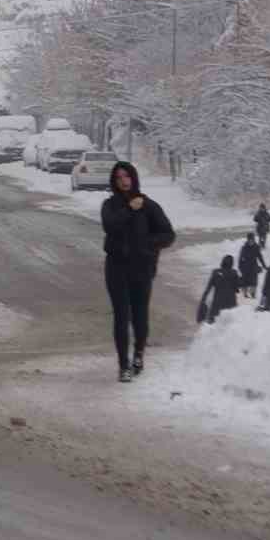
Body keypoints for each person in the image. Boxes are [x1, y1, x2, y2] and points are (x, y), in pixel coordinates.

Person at [102, 162, 176, 383]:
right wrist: (129, 209)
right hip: (116, 267)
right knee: (121, 315)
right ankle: (123, 365)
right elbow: (110, 226)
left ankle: (139, 355)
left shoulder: (149, 206)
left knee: (139, 314)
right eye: (118, 178)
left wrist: (147, 245)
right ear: (114, 181)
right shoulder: (110, 205)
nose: (123, 181)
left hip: (142, 267)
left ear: (134, 178)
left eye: (127, 176)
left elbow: (168, 234)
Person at [199, 255, 239, 324]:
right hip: (231, 303)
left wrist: (203, 300)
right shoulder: (234, 273)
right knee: (229, 325)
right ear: (232, 264)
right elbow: (237, 287)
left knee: (212, 325)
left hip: (217, 304)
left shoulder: (216, 272)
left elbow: (208, 288)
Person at [237, 232, 266, 299]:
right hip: (245, 267)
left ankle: (253, 294)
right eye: (249, 240)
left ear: (253, 239)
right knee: (245, 282)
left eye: (252, 240)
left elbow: (260, 257)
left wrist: (264, 266)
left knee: (254, 282)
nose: (250, 241)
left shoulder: (256, 247)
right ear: (247, 240)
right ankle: (245, 295)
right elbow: (240, 258)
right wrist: (240, 267)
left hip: (253, 267)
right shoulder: (244, 248)